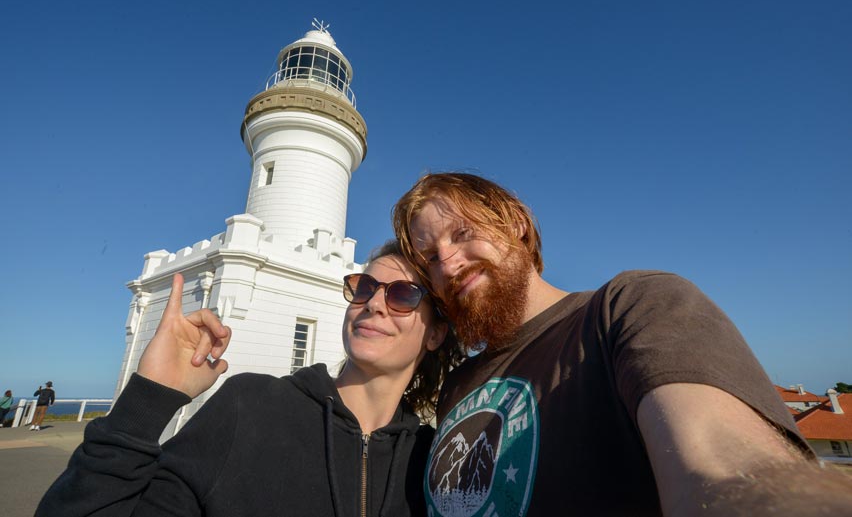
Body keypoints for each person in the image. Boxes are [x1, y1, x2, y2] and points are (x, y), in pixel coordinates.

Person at [392, 172, 852, 517]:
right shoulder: (457, 387)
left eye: (463, 234)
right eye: (430, 257)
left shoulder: (631, 307)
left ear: (516, 223)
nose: (448, 264)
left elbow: (720, 464)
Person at [37, 241, 463, 517]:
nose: (374, 305)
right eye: (365, 287)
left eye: (404, 295)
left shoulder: (434, 461)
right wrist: (148, 399)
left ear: (436, 333)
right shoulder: (251, 405)